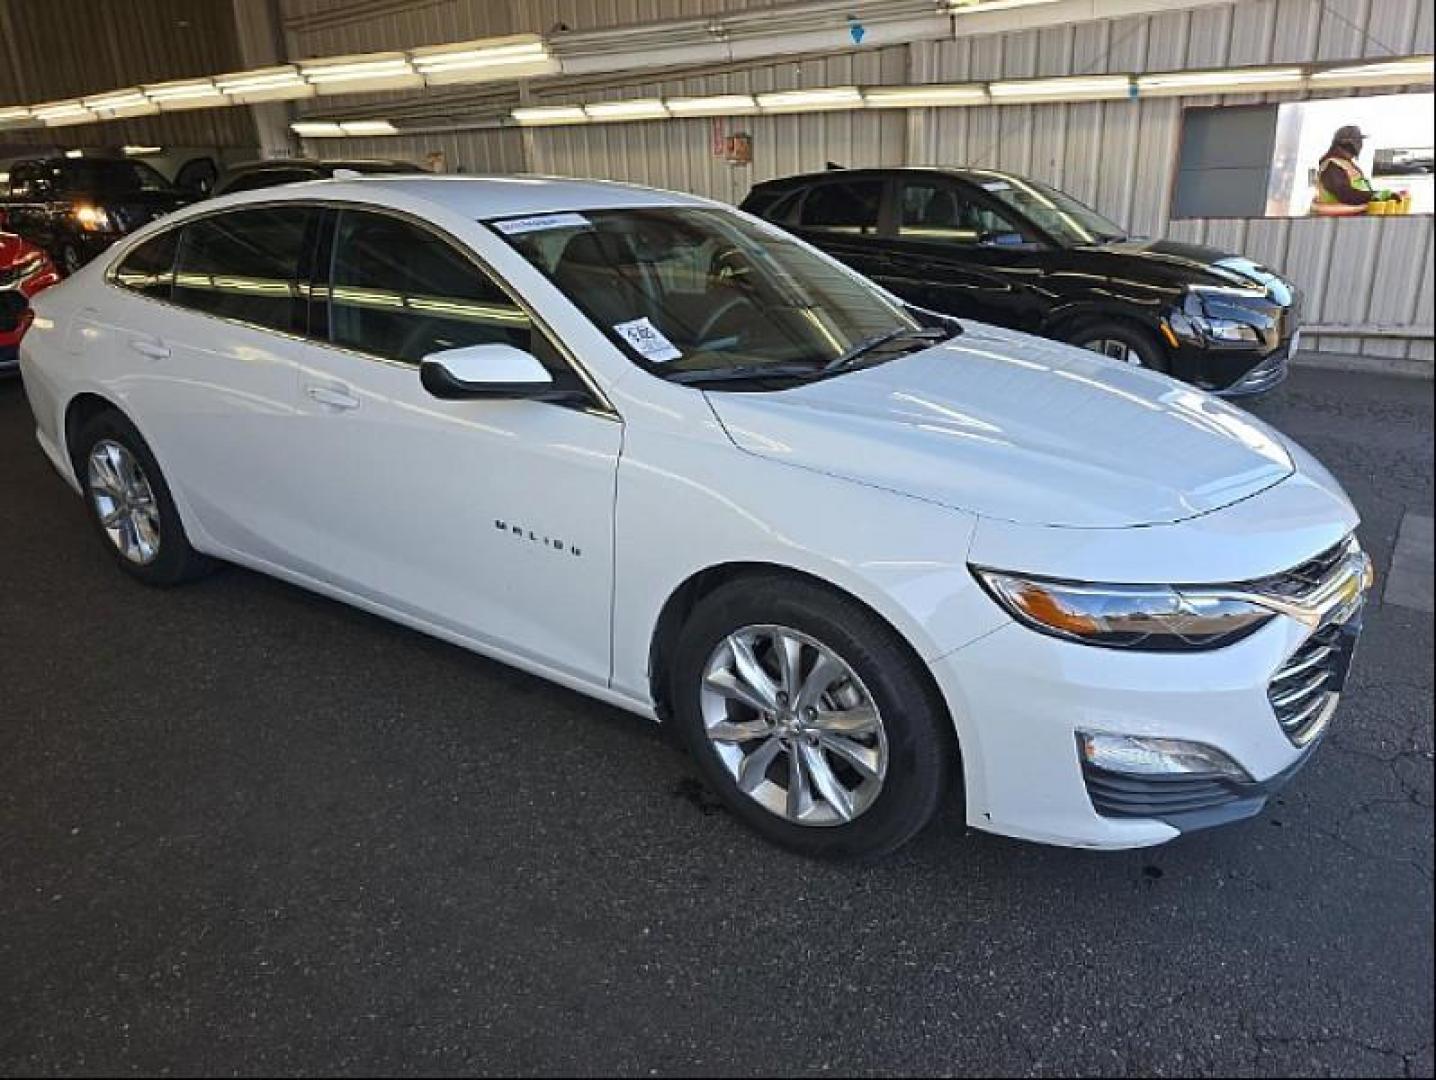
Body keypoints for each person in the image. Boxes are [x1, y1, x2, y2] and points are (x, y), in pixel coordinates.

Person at [1313, 125, 1397, 215]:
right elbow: (1346, 194)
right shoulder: (1332, 166)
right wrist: (1376, 196)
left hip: (1353, 217)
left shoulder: (1344, 162)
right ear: (1351, 144)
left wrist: (1378, 197)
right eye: (1359, 141)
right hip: (1339, 221)